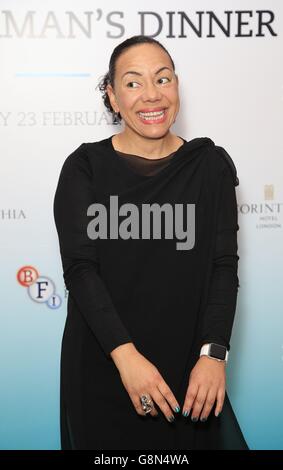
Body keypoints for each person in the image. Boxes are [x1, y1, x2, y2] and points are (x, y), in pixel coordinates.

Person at [53, 34, 249, 450]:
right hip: (106, 364)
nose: (151, 95)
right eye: (133, 82)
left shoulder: (209, 165)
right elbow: (81, 271)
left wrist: (213, 356)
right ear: (112, 96)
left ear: (177, 85)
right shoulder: (84, 168)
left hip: (190, 370)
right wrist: (126, 359)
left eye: (162, 79)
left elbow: (223, 266)